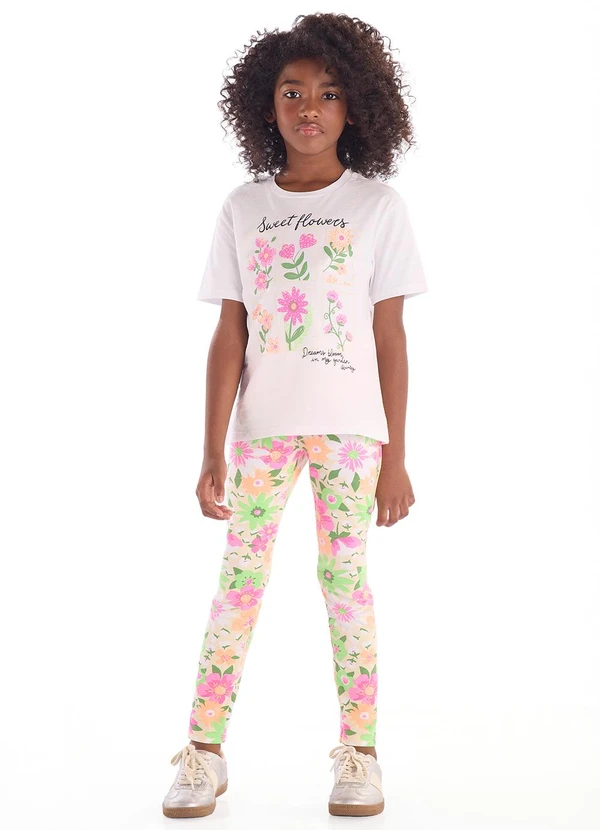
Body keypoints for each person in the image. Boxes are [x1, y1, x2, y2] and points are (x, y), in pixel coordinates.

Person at [162, 11, 428, 820]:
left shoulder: (378, 206)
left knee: (345, 583)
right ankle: (204, 751)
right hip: (261, 432)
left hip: (353, 433)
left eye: (329, 92)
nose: (309, 107)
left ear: (357, 106)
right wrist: (212, 448)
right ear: (265, 105)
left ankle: (361, 753)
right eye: (291, 92)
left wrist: (396, 455)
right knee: (238, 584)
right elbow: (229, 334)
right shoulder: (243, 208)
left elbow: (389, 337)